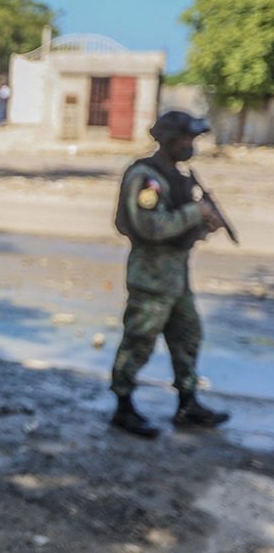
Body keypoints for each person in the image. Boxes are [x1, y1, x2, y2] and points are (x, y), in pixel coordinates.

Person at [109, 110, 230, 438]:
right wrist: (196, 212)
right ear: (169, 140)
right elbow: (151, 226)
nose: (190, 145)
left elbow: (182, 221)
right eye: (185, 139)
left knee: (188, 337)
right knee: (139, 341)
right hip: (151, 276)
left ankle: (188, 403)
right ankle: (123, 406)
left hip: (177, 274)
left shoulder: (177, 175)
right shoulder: (146, 177)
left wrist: (205, 223)